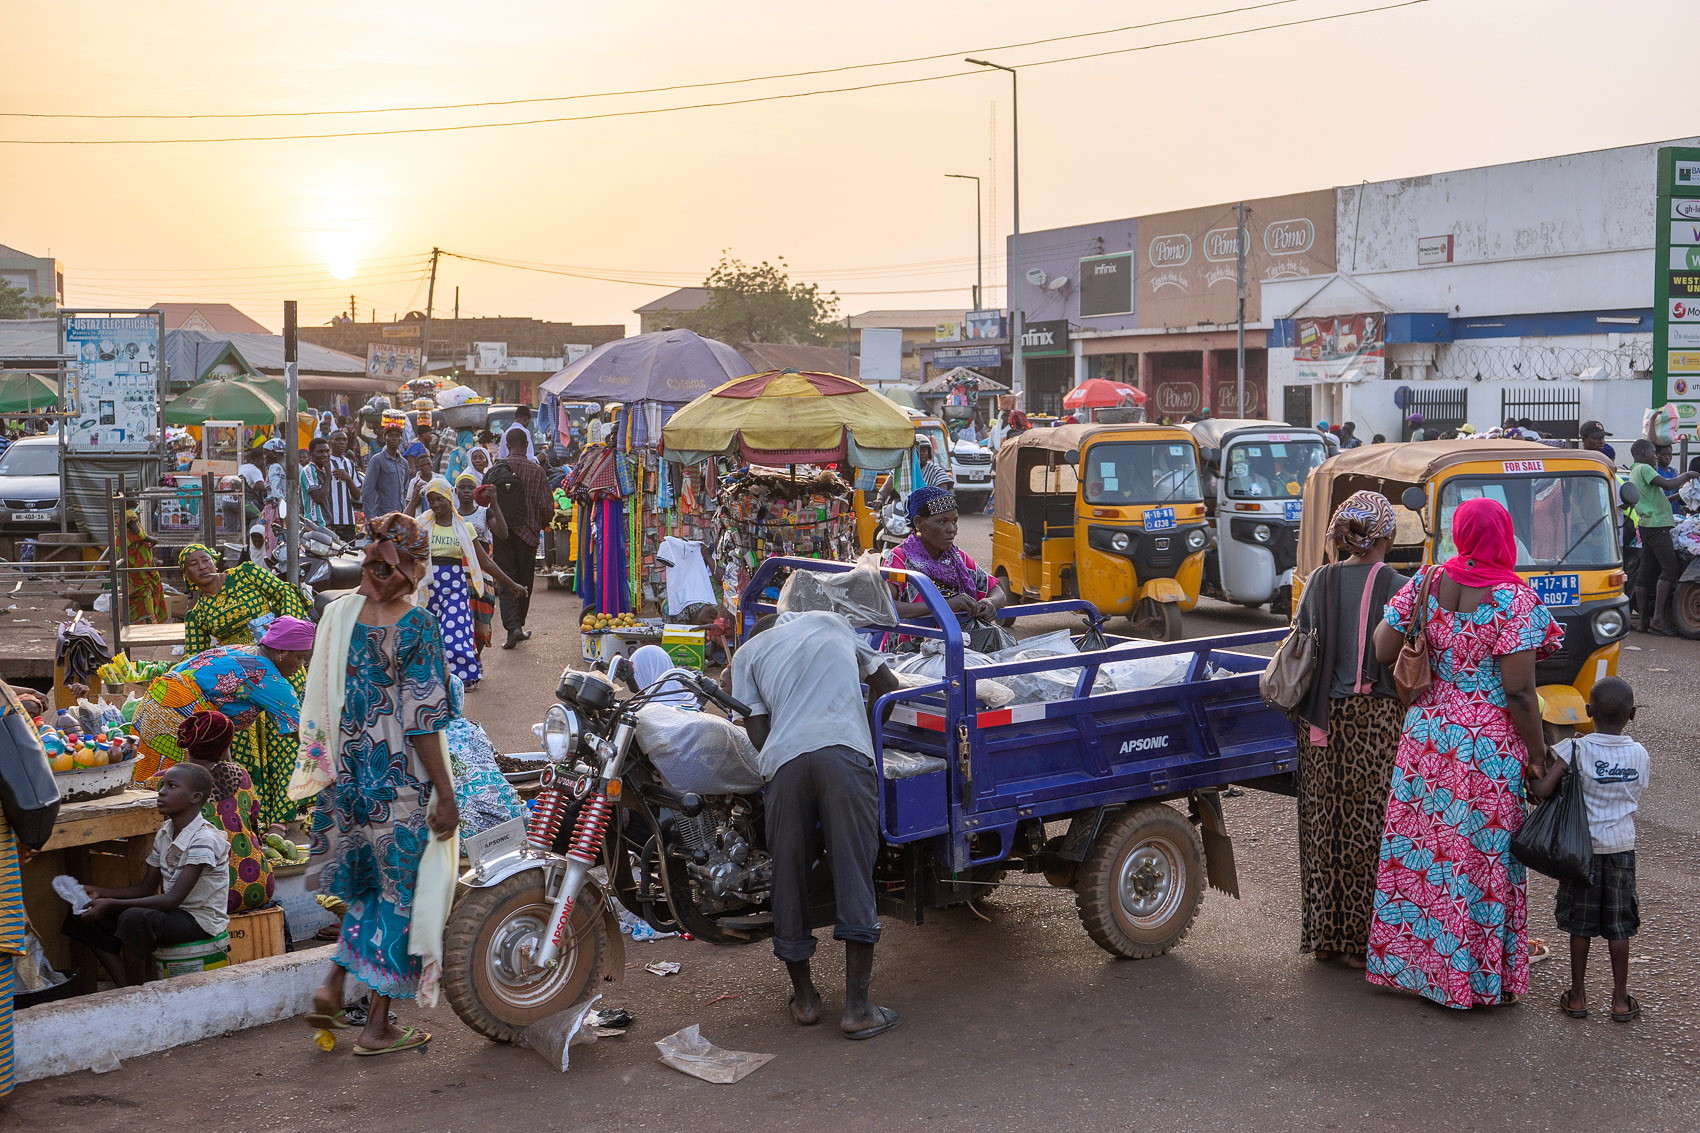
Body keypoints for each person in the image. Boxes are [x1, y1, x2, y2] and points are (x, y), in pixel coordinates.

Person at [1366, 497, 1563, 1009]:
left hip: (1427, 735)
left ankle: (1418, 970)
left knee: (1428, 853)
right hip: (1485, 746)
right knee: (1480, 861)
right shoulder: (1513, 599)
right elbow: (1520, 691)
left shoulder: (1428, 581)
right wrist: (1538, 754)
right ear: (1502, 537)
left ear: (1460, 535)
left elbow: (1383, 647)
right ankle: (1473, 980)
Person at [300, 513, 457, 1055]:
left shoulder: (338, 614)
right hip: (398, 781)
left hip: (348, 776)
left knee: (366, 888)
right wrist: (447, 794)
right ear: (413, 567)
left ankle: (331, 986)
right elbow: (421, 721)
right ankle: (377, 1025)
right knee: (400, 896)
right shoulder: (415, 626)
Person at [732, 610, 902, 1039]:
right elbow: (887, 687)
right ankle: (858, 1009)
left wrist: (787, 749)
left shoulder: (746, 653)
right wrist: (862, 729)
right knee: (854, 872)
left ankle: (806, 1001)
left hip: (785, 764)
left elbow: (757, 730)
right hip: (845, 754)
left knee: (788, 877)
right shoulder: (833, 623)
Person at [1290, 492, 1406, 969]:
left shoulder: (1318, 580)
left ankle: (1324, 938)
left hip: (1319, 720)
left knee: (1322, 830)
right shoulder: (1400, 585)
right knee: (1370, 832)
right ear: (1387, 536)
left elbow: (1299, 641)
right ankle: (1361, 944)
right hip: (1375, 724)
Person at [1527, 677, 1647, 1023]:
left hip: (1580, 851)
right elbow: (1637, 793)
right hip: (1621, 848)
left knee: (1581, 925)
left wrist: (1530, 775)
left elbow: (1545, 790)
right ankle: (1621, 999)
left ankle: (1578, 996)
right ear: (1633, 715)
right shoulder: (1639, 754)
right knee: (1619, 925)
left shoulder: (1574, 749)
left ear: (1588, 712)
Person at [63, 764, 228, 987]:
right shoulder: (165, 832)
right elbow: (145, 888)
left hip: (199, 920)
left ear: (195, 797)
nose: (161, 792)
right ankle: (125, 987)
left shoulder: (203, 839)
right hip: (174, 913)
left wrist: (110, 903)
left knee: (135, 918)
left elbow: (172, 900)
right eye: (163, 786)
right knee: (82, 913)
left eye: (171, 786)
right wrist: (99, 893)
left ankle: (138, 993)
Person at [418, 476, 525, 688]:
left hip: (456, 588)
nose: (436, 505)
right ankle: (433, 680)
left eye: (439, 499)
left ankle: (464, 679)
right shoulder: (422, 525)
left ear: (449, 498)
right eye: (431, 500)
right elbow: (401, 534)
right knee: (428, 636)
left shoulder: (465, 528)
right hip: (429, 590)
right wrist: (413, 500)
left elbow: (484, 561)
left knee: (455, 634)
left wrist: (511, 584)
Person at [175, 710, 273, 915]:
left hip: (206, 897)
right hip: (259, 884)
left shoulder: (164, 783)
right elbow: (253, 818)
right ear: (225, 748)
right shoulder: (241, 775)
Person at [880, 487, 1004, 645]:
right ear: (919, 522)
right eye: (942, 521)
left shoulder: (957, 559)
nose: (951, 529)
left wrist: (990, 602)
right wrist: (944, 605)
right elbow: (886, 606)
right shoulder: (900, 559)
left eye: (954, 521)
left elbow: (997, 590)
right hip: (909, 650)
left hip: (955, 645)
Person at [489, 426, 552, 649]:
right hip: (528, 534)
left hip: (502, 532)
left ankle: (512, 628)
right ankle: (518, 624)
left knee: (506, 579)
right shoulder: (537, 471)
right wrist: (542, 523)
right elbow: (546, 506)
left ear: (507, 446)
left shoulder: (498, 468)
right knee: (524, 580)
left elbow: (484, 498)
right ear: (526, 445)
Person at [1629, 438, 1698, 635]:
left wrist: (1681, 496)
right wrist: (1687, 475)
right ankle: (1658, 619)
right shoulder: (1644, 468)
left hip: (1646, 526)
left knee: (1646, 572)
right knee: (1670, 568)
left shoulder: (1634, 471)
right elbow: (1668, 485)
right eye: (1653, 453)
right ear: (1642, 453)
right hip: (1658, 526)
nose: (1656, 457)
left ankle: (1643, 621)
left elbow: (1660, 497)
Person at [456, 473, 504, 661]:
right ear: (456, 491)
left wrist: (495, 503)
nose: (466, 491)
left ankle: (478, 657)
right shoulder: (451, 515)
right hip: (459, 572)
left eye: (470, 488)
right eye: (462, 488)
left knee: (483, 616)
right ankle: (469, 658)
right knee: (462, 617)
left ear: (476, 490)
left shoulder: (484, 513)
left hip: (483, 572)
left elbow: (502, 533)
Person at [123, 509, 168, 625]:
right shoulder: (129, 515)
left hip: (134, 557)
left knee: (138, 588)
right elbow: (140, 534)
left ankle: (140, 619)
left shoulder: (121, 515)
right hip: (138, 560)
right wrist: (154, 540)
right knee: (146, 587)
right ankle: (149, 618)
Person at [361, 424, 410, 518]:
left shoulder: (403, 463)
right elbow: (367, 491)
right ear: (385, 437)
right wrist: (370, 518)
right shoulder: (377, 460)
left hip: (400, 516)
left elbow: (405, 490)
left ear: (401, 438)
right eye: (390, 435)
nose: (394, 438)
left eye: (397, 435)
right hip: (381, 516)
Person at [324, 430, 362, 539]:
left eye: (344, 440)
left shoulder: (349, 463)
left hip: (348, 520)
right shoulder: (325, 462)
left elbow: (357, 495)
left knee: (349, 554)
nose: (342, 442)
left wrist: (348, 479)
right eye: (338, 439)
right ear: (330, 442)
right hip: (330, 520)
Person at [299, 436, 332, 527]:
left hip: (326, 522)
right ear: (310, 454)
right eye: (320, 452)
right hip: (315, 523)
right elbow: (318, 498)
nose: (325, 454)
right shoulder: (308, 470)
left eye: (326, 451)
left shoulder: (324, 470)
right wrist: (328, 475)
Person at [401, 441, 434, 515]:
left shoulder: (439, 478)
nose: (426, 467)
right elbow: (409, 502)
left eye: (428, 464)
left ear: (432, 464)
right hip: (420, 516)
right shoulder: (414, 482)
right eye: (423, 465)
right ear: (418, 466)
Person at [1655, 443, 1685, 518]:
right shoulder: (1655, 471)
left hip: (1675, 513)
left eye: (1669, 454)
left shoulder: (1673, 471)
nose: (1667, 457)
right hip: (1661, 515)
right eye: (1663, 455)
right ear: (1656, 455)